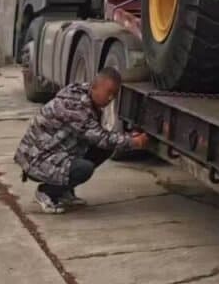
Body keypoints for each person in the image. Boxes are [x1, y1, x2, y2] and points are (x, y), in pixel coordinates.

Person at [14, 66, 150, 213]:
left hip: (54, 152)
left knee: (104, 149)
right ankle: (47, 192)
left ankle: (64, 192)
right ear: (95, 87)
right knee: (84, 168)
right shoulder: (76, 107)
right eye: (108, 93)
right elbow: (101, 137)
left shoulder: (87, 96)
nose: (111, 98)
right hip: (36, 160)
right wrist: (133, 142)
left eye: (115, 94)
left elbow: (101, 137)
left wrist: (128, 137)